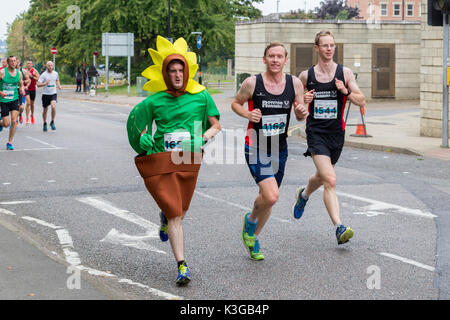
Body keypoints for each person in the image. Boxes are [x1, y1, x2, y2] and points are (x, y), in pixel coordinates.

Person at [127, 36, 221, 285]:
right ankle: (182, 265)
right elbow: (138, 126)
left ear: (187, 71)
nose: (177, 75)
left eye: (181, 70)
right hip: (161, 160)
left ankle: (165, 218)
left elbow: (216, 125)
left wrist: (202, 138)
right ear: (165, 73)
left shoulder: (201, 96)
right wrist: (143, 140)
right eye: (172, 70)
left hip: (189, 159)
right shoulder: (154, 100)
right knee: (176, 214)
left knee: (182, 210)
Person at [231, 42, 308, 261]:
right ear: (264, 59)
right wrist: (248, 115)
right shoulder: (252, 82)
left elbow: (301, 114)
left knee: (268, 198)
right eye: (271, 56)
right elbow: (236, 103)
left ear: (286, 60)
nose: (275, 60)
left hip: (279, 148)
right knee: (272, 195)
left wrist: (301, 112)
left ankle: (252, 235)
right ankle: (251, 224)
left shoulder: (294, 83)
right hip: (256, 145)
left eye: (279, 56)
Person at [294, 30, 366, 245]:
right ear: (316, 48)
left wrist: (345, 91)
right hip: (316, 134)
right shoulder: (306, 77)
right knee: (331, 180)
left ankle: (304, 195)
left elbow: (361, 100)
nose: (329, 49)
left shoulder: (345, 73)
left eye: (332, 45)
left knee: (322, 176)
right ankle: (339, 227)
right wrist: (304, 102)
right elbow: (297, 114)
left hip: (337, 134)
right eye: (324, 45)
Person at [0, 56, 25, 150]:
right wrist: (1, 92)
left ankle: (9, 142)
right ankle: (1, 123)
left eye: (15, 61)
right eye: (11, 61)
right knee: (6, 124)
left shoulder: (19, 73)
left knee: (14, 121)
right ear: (8, 62)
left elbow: (21, 84)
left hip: (14, 99)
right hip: (3, 100)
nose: (14, 63)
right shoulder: (2, 72)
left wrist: (22, 89)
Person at [37, 61, 61, 131]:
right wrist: (45, 83)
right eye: (49, 66)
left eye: (51, 65)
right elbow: (38, 84)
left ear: (53, 66)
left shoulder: (55, 73)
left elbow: (57, 80)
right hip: (45, 94)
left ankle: (52, 121)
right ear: (46, 66)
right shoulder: (43, 75)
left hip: (53, 93)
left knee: (53, 107)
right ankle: (44, 123)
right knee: (45, 110)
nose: (50, 67)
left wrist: (58, 85)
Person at [25, 59, 39, 124]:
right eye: (27, 63)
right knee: (28, 103)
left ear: (32, 64)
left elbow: (38, 78)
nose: (28, 64)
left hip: (33, 89)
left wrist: (32, 76)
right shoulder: (24, 70)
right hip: (26, 88)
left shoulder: (34, 71)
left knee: (32, 104)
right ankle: (27, 117)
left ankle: (32, 115)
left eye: (30, 63)